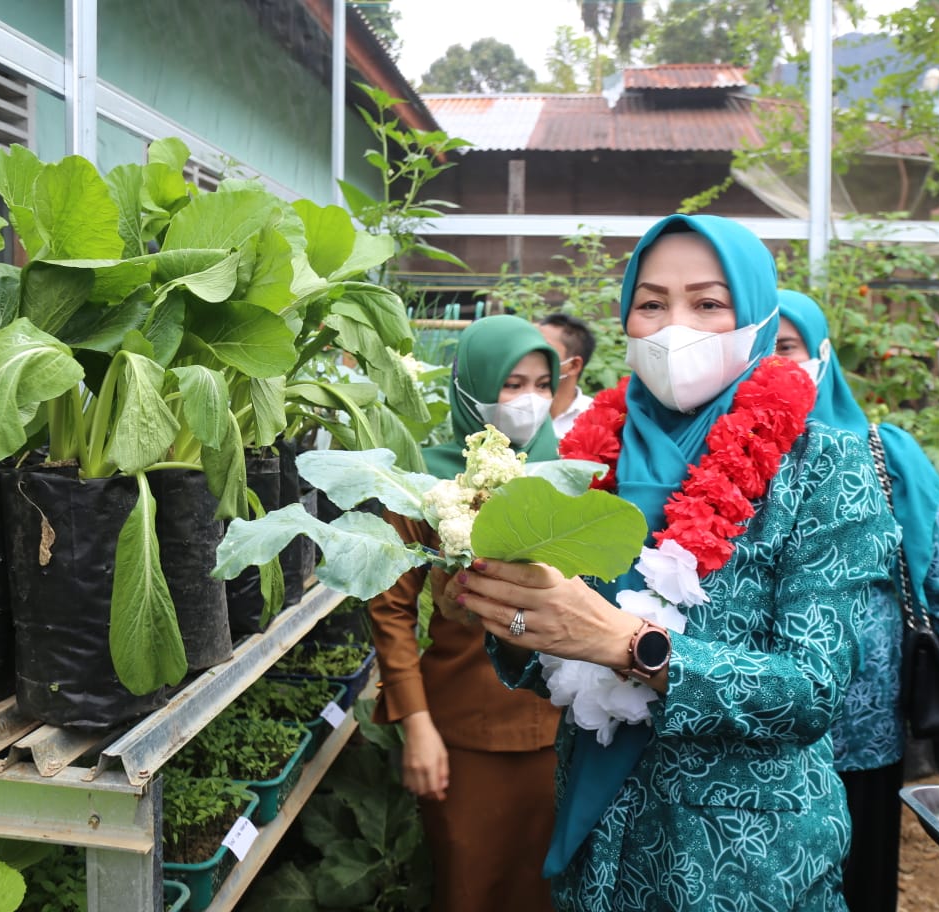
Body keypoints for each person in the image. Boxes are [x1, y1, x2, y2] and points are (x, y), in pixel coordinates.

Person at [453, 215, 898, 912]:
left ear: (755, 316)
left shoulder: (823, 466)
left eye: (708, 303)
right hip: (601, 844)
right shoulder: (581, 462)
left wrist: (628, 646)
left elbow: (812, 690)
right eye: (652, 303)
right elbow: (550, 667)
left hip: (744, 860)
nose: (674, 326)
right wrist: (511, 610)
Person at [774, 290, 939, 912]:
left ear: (822, 355)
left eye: (786, 349)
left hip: (861, 731)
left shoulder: (886, 454)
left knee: (861, 879)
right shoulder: (719, 456)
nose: (770, 366)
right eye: (755, 349)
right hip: (754, 729)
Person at [367, 314, 563, 912]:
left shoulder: (571, 474)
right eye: (510, 384)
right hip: (466, 728)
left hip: (570, 725)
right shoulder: (426, 482)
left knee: (551, 892)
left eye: (540, 383)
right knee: (470, 889)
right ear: (471, 384)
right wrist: (417, 724)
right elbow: (390, 608)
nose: (528, 401)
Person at [537, 313, 597, 438]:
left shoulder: (595, 418)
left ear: (574, 365)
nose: (532, 356)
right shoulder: (515, 408)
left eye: (545, 349)